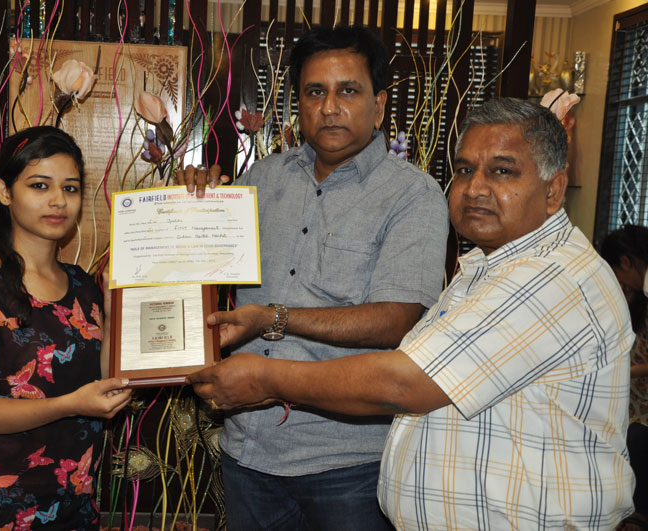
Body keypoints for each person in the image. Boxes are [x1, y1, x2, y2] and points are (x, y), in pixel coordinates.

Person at [190, 98, 636, 529]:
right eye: (465, 170)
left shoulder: (548, 276)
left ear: (554, 190)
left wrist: (268, 378)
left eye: (502, 171)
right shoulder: (490, 265)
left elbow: (402, 382)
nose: (475, 188)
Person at [203, 25, 449, 531]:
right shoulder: (261, 179)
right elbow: (199, 269)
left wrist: (273, 319)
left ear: (379, 106)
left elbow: (396, 320)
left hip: (347, 465)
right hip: (246, 447)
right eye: (315, 92)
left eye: (348, 91)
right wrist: (191, 203)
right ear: (299, 104)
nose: (330, 107)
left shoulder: (413, 196)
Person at [0, 126, 216, 529]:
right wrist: (72, 404)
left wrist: (118, 306)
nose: (58, 200)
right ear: (3, 192)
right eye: (39, 185)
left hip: (75, 505)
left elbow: (107, 376)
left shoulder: (83, 285)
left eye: (70, 188)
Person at [601, 225, 648, 528]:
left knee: (634, 438)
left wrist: (625, 372)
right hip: (632, 397)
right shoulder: (638, 294)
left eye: (617, 273)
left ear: (626, 262)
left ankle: (635, 513)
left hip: (641, 401)